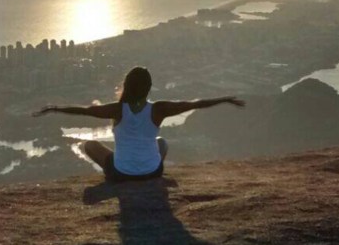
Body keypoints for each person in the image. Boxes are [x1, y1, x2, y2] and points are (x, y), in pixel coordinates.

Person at [33, 66, 245, 182]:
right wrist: (225, 99)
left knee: (89, 145)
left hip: (121, 174)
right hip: (153, 172)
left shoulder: (118, 109)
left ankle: (114, 174)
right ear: (149, 88)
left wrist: (55, 108)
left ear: (126, 85)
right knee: (162, 143)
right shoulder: (158, 109)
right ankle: (141, 167)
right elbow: (194, 104)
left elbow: (85, 111)